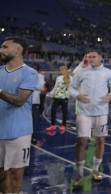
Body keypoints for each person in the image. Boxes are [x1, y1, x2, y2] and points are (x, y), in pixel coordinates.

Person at [68, 50, 111, 187]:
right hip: (84, 111)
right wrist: (78, 96)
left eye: (94, 57)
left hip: (101, 112)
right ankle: (79, 174)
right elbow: (71, 88)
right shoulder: (81, 72)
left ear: (101, 58)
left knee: (100, 140)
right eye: (89, 57)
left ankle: (95, 170)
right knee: (82, 141)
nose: (91, 59)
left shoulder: (108, 72)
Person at [0, 37, 38, 194]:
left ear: (17, 50)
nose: (1, 50)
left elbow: (20, 100)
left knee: (16, 175)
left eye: (4, 47)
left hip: (19, 133)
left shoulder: (30, 73)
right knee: (1, 175)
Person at [46, 65, 71, 133]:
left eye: (62, 70)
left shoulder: (70, 78)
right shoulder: (58, 78)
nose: (61, 71)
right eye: (60, 70)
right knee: (53, 110)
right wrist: (50, 94)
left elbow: (72, 87)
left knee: (64, 112)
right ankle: (53, 125)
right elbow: (55, 87)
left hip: (64, 97)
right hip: (57, 97)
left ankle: (63, 125)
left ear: (66, 70)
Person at [30, 63, 45, 143]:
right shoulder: (26, 75)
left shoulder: (40, 77)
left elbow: (40, 87)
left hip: (35, 101)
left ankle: (33, 135)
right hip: (25, 100)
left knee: (34, 119)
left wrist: (31, 82)